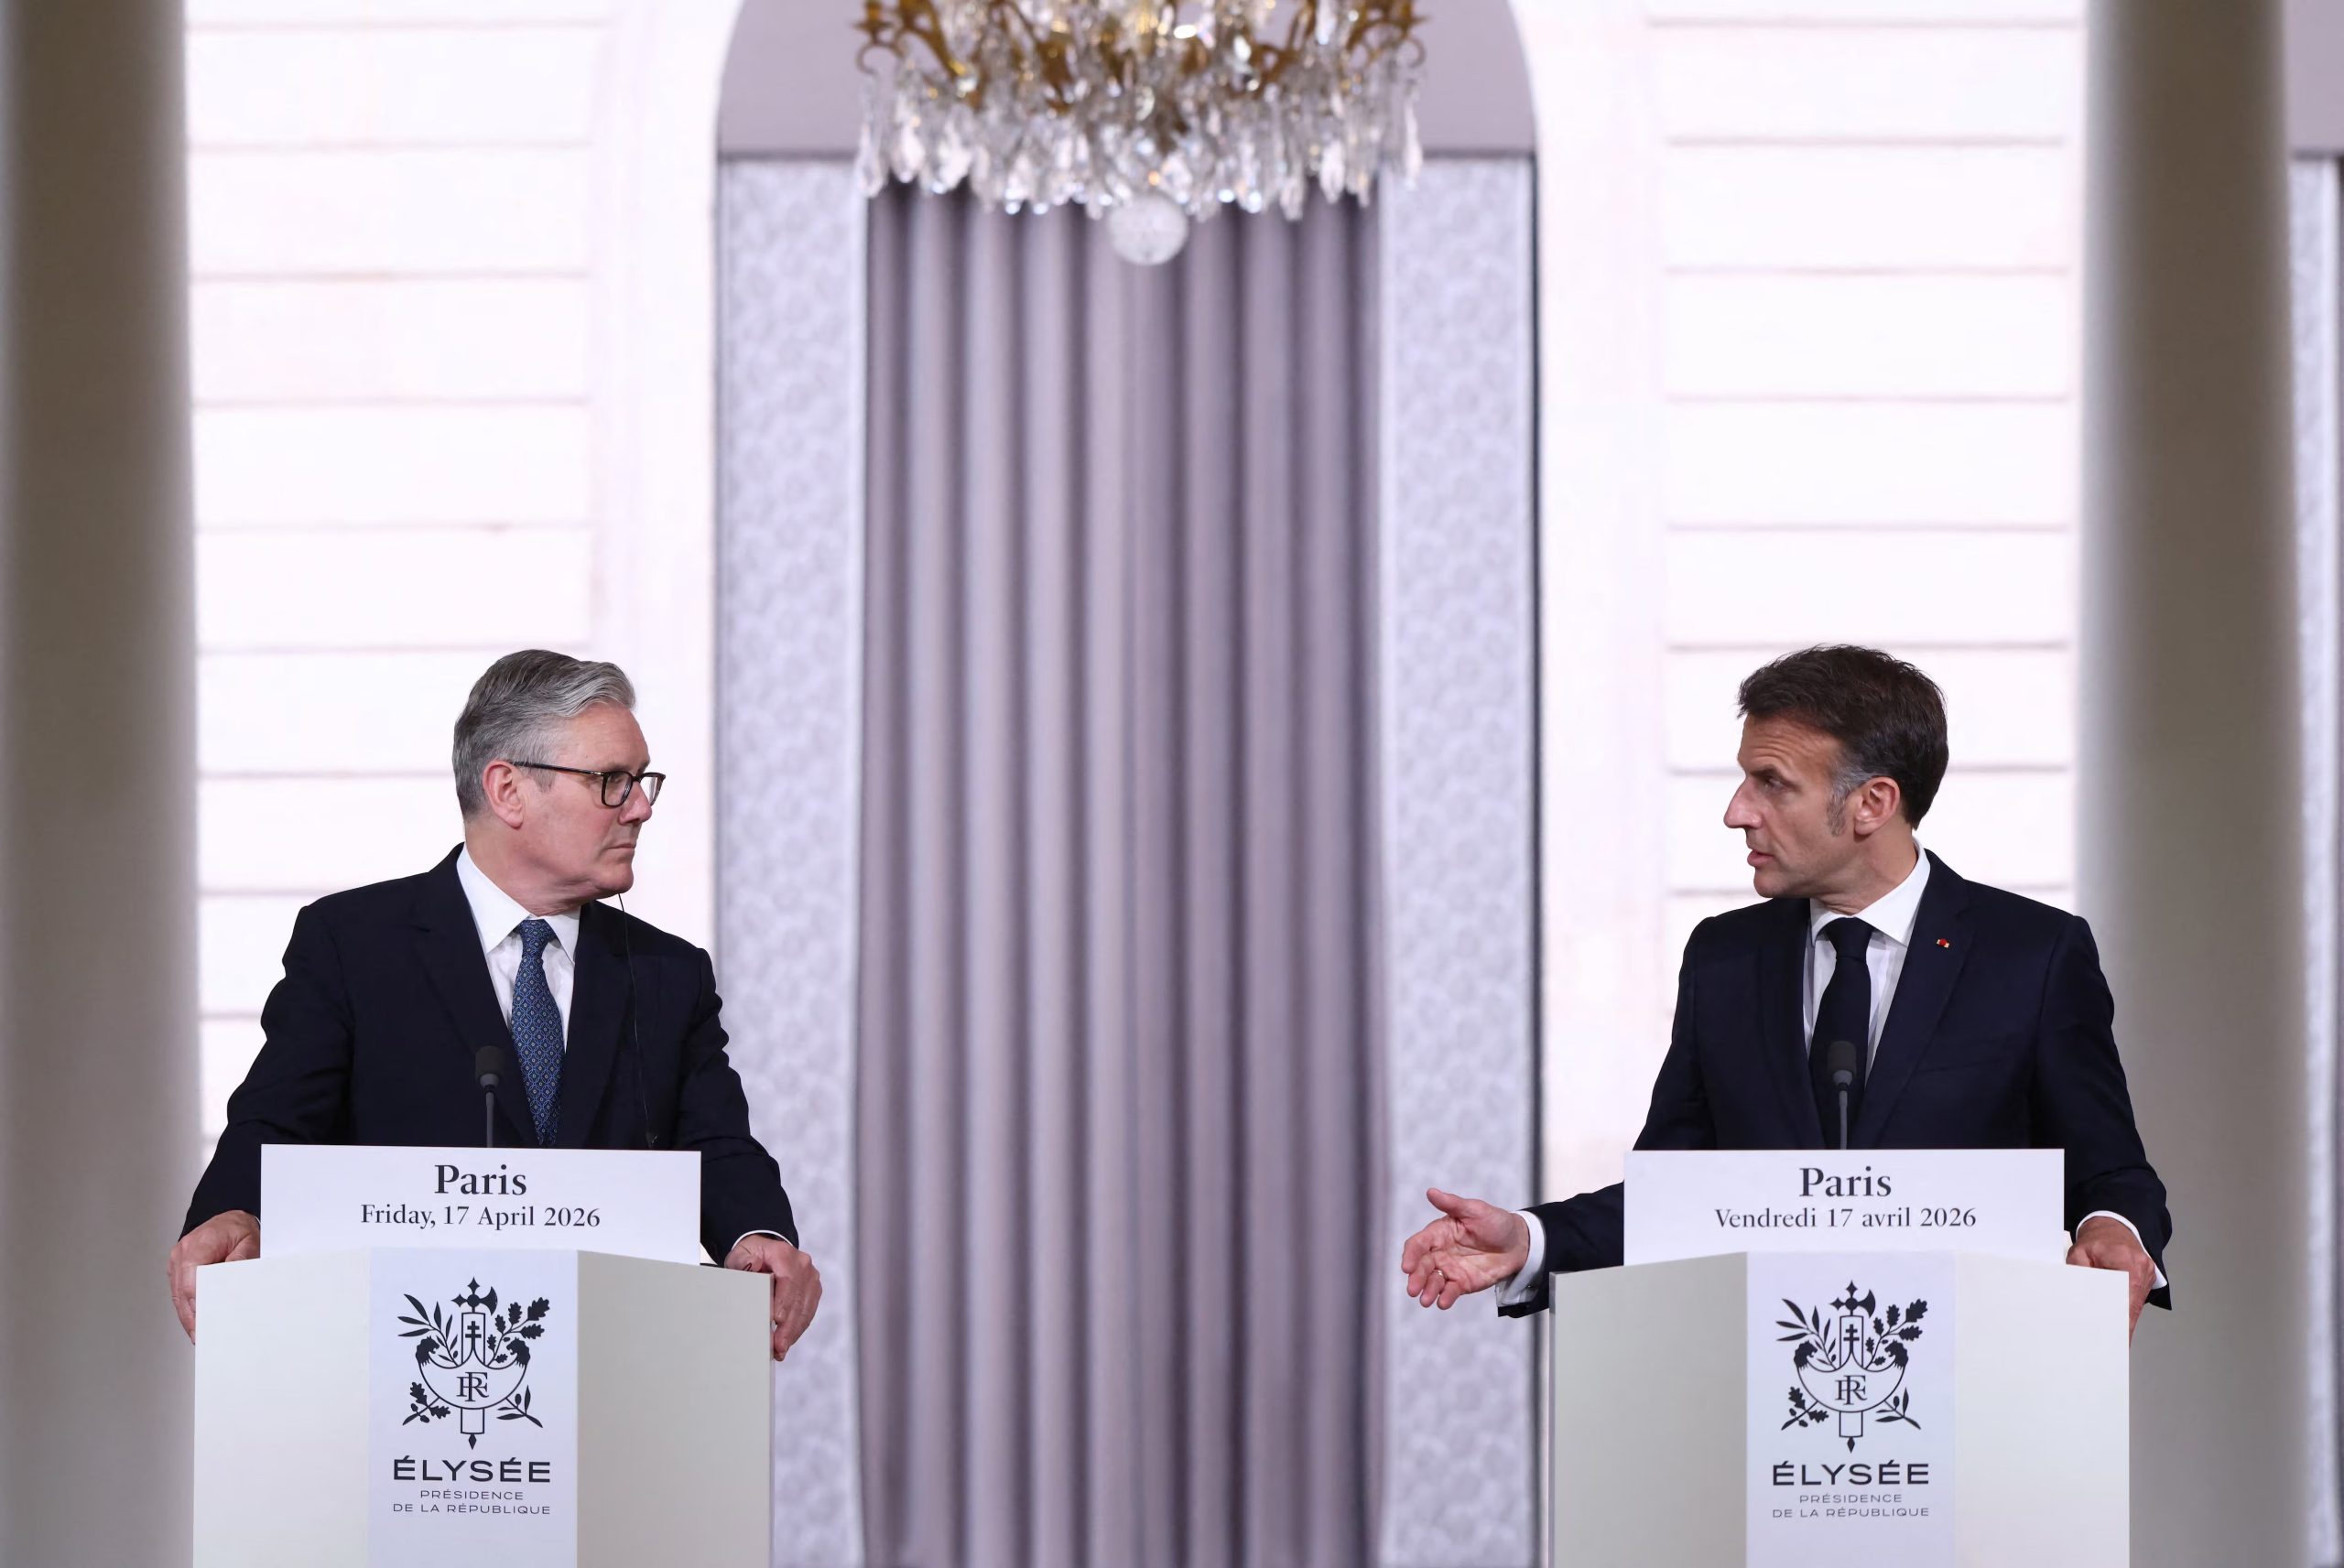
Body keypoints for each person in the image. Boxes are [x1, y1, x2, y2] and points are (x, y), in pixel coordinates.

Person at [1401, 644, 2170, 1335]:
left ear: (1872, 802)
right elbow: (1684, 1197)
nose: (1737, 812)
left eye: (1772, 783)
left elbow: (2112, 1171)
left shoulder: (2031, 954)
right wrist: (1531, 1238)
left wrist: (2115, 1229)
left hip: (1983, 1391)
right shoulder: (1725, 959)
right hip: (1768, 1413)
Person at [168, 650, 820, 1360]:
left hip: (611, 1367)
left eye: (642, 780)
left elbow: (717, 1145)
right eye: (612, 781)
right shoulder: (353, 945)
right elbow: (274, 1122)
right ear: (508, 789)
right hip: (395, 1364)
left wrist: (758, 1234)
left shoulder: (668, 973)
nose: (642, 806)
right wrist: (232, 1212)